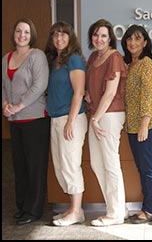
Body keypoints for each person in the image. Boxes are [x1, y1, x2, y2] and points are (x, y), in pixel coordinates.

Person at [2, 18, 50, 225]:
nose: (22, 35)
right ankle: (22, 206)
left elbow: (40, 85)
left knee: (35, 166)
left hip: (34, 119)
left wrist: (19, 105)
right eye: (19, 31)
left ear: (32, 36)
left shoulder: (36, 56)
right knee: (19, 165)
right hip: (14, 120)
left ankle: (34, 209)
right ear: (14, 34)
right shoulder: (6, 58)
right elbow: (3, 86)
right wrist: (4, 104)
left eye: (27, 32)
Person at [44, 21, 87, 226]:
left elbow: (78, 92)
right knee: (61, 166)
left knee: (70, 164)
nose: (59, 38)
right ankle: (72, 208)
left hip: (72, 119)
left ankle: (76, 210)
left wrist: (70, 121)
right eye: (55, 35)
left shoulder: (75, 60)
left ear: (71, 38)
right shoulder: (55, 61)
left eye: (63, 34)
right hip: (56, 118)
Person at [85, 19, 127, 226]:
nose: (98, 39)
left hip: (109, 115)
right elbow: (89, 85)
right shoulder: (93, 57)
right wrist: (87, 94)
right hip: (96, 115)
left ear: (110, 38)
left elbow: (110, 93)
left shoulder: (115, 57)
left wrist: (95, 118)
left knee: (110, 163)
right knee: (96, 163)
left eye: (103, 35)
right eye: (95, 35)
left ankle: (115, 213)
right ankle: (117, 206)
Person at [121, 25, 152, 224]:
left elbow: (148, 94)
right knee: (142, 167)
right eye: (129, 38)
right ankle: (148, 206)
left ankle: (151, 210)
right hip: (132, 125)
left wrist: (144, 124)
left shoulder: (147, 63)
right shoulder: (129, 65)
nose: (132, 42)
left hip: (149, 124)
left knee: (148, 168)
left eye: (137, 38)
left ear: (145, 42)